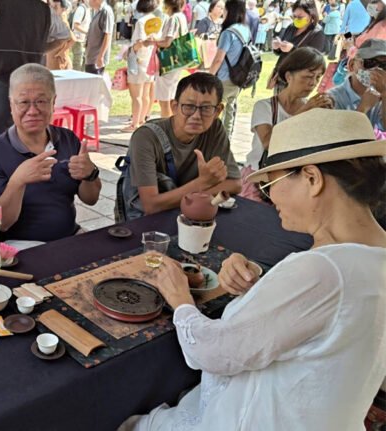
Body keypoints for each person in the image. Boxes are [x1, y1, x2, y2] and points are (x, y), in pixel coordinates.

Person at [119, 108, 386, 431]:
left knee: (129, 421)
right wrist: (261, 288)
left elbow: (215, 353)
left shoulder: (322, 271)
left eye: (272, 183)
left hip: (259, 420)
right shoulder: (370, 255)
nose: (270, 197)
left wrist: (180, 300)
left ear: (312, 179)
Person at [0, 64, 101, 242]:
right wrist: (18, 181)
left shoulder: (68, 139)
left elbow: (91, 199)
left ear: (53, 102)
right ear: (11, 105)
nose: (33, 111)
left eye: (41, 101)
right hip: (16, 247)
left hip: (68, 238)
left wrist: (90, 174)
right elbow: (1, 224)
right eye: (24, 102)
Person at [119, 73, 241, 219]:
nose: (196, 116)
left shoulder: (214, 129)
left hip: (189, 215)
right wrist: (203, 183)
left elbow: (235, 183)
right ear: (174, 106)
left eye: (206, 108)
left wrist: (196, 194)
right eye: (188, 106)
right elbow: (151, 205)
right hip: (146, 222)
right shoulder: (145, 137)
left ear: (218, 111)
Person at [0, 0, 71, 143]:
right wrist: (40, 50)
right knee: (30, 138)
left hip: (2, 81)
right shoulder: (44, 10)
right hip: (33, 85)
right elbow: (64, 36)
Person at [240, 47, 331, 200]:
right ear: (289, 76)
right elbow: (268, 142)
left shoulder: (312, 108)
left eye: (318, 77)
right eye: (308, 77)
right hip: (260, 179)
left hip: (292, 181)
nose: (313, 83)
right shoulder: (265, 107)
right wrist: (304, 111)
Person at [208, 0, 251, 139]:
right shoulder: (245, 29)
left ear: (229, 11)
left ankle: (213, 140)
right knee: (230, 110)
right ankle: (226, 139)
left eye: (224, 9)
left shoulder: (228, 33)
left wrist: (209, 76)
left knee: (215, 110)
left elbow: (218, 59)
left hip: (224, 78)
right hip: (239, 77)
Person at [328, 38, 386, 131]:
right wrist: (363, 107)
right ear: (351, 65)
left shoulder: (380, 95)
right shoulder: (332, 99)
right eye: (370, 63)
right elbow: (340, 135)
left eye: (384, 66)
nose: (378, 70)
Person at [122, 0, 159, 133]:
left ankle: (134, 124)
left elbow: (140, 43)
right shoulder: (156, 20)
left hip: (138, 62)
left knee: (136, 96)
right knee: (145, 94)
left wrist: (129, 50)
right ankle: (142, 120)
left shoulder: (141, 22)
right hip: (150, 62)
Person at [151, 0, 188, 119]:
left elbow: (167, 42)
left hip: (168, 62)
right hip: (178, 61)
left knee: (164, 99)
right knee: (172, 97)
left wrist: (154, 41)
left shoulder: (173, 18)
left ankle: (166, 124)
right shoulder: (182, 17)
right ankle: (173, 123)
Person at [272, 0, 325, 76]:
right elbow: (281, 52)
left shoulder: (317, 33)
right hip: (281, 73)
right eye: (294, 16)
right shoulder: (291, 27)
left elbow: (314, 60)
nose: (296, 19)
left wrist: (292, 49)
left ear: (311, 15)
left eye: (300, 17)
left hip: (298, 77)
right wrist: (277, 47)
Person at [84, 0, 114, 74]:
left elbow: (107, 34)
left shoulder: (106, 11)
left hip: (96, 59)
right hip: (91, 57)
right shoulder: (97, 11)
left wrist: (101, 56)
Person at [46, 0, 76, 70]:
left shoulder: (62, 22)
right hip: (52, 58)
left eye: (55, 7)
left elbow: (73, 39)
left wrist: (62, 52)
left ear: (63, 9)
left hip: (58, 60)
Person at [70, 0, 91, 71]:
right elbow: (76, 25)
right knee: (78, 64)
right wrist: (88, 33)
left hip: (84, 40)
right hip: (78, 40)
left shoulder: (88, 9)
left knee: (84, 63)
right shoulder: (81, 9)